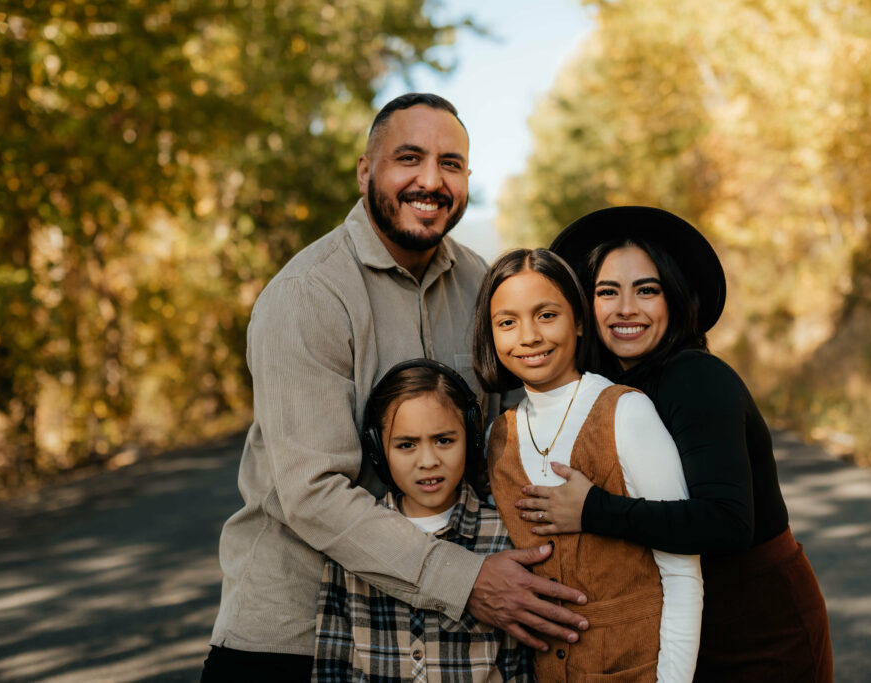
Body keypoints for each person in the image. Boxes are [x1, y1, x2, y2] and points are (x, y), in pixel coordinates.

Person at [202, 93, 588, 682]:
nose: (431, 180)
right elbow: (312, 492)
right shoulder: (307, 295)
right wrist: (469, 581)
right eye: (409, 157)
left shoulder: (484, 286)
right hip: (300, 637)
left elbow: (520, 437)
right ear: (366, 171)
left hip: (447, 643)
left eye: (451, 164)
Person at [525, 206, 832, 681]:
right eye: (608, 292)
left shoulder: (695, 377)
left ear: (675, 299)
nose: (626, 308)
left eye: (647, 290)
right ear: (587, 307)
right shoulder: (609, 390)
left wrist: (592, 510)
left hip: (757, 626)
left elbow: (728, 522)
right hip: (679, 622)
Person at [472, 248, 703, 682]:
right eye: (507, 322)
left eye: (546, 315)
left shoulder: (625, 413)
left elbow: (681, 572)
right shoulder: (497, 438)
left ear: (578, 321)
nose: (529, 336)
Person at [312, 358, 532, 681]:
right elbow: (332, 665)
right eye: (406, 445)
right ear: (378, 451)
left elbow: (520, 666)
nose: (428, 461)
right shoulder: (353, 544)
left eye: (444, 440)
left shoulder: (502, 534)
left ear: (470, 440)